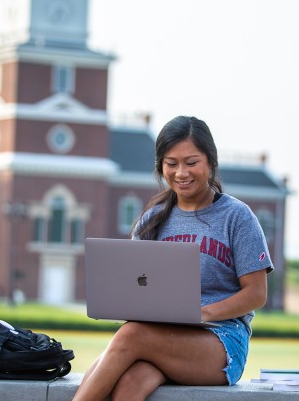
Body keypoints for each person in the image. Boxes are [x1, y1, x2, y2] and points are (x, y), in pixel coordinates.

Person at [73, 115, 274, 401]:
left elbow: (256, 294)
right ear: (160, 166)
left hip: (222, 341)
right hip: (161, 337)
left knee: (131, 335)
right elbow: (133, 289)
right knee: (130, 383)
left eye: (191, 163)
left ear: (210, 163)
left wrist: (201, 313)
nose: (181, 173)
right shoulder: (152, 220)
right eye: (171, 163)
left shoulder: (237, 217)